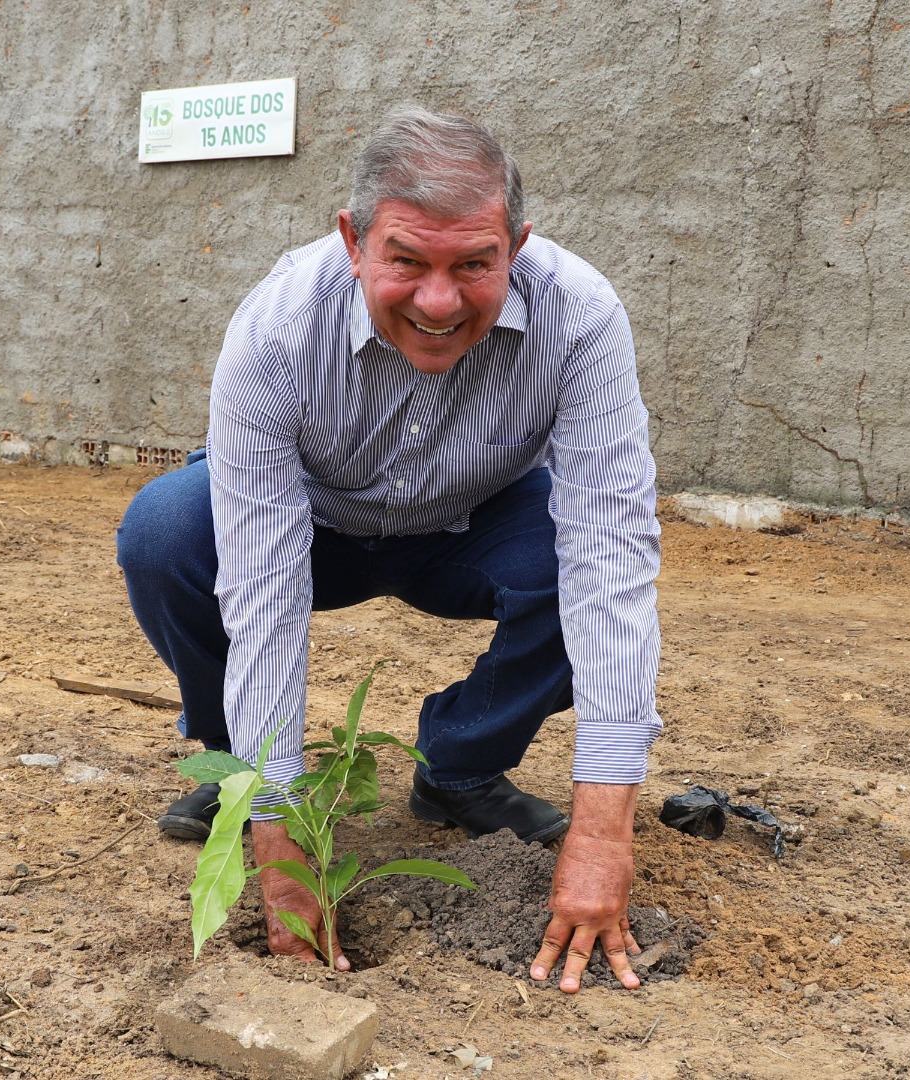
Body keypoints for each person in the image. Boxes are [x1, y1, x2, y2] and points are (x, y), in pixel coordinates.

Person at [116, 106, 661, 994]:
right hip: (314, 521)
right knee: (168, 531)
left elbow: (613, 554)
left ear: (516, 246)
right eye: (406, 261)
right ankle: (232, 775)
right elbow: (261, 584)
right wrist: (277, 822)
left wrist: (603, 833)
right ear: (353, 241)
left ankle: (460, 771)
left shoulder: (582, 318)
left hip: (471, 523)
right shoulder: (276, 330)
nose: (439, 302)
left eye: (474, 264)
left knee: (576, 567)